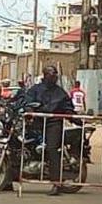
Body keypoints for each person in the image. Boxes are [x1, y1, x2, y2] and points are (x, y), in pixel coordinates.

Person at [25, 65, 75, 196]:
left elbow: (68, 107)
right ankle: (9, 179)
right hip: (37, 123)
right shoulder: (35, 89)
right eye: (52, 74)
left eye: (55, 74)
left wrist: (72, 116)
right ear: (45, 75)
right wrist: (29, 110)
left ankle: (56, 183)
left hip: (53, 124)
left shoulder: (60, 92)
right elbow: (27, 101)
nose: (54, 76)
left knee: (52, 149)